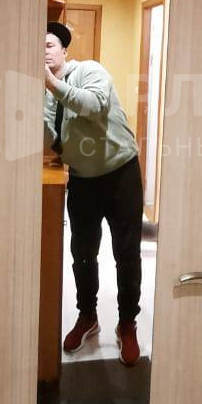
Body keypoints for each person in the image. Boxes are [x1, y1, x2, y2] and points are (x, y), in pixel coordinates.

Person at [43, 22, 142, 367]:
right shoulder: (45, 93)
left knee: (126, 253)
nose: (43, 51)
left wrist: (51, 84)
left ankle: (127, 323)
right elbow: (48, 139)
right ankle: (88, 316)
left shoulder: (89, 71)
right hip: (83, 179)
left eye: (49, 44)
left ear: (64, 51)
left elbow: (96, 105)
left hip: (121, 173)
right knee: (82, 254)